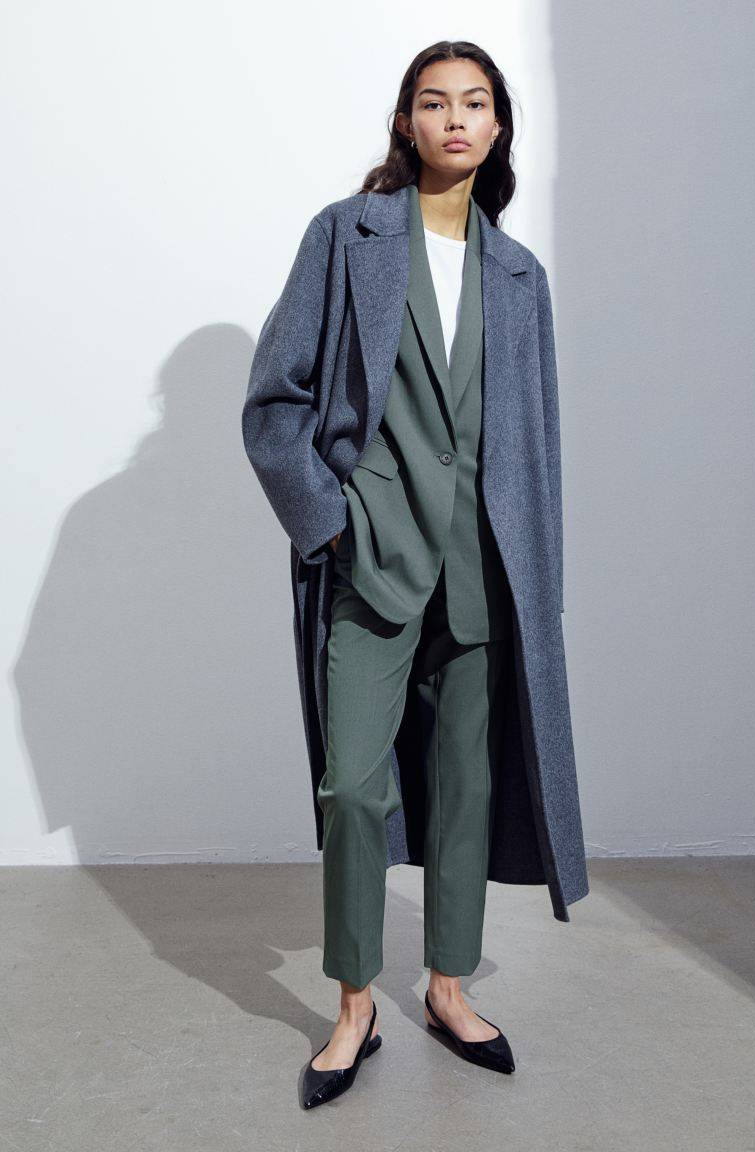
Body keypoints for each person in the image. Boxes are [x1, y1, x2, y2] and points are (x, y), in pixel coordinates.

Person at [242, 40, 589, 1110]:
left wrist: (539, 580)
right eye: (434, 103)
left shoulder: (520, 280)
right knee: (353, 785)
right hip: (373, 560)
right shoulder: (345, 237)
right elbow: (275, 400)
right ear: (406, 122)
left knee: (465, 790)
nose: (454, 119)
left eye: (474, 103)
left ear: (498, 126)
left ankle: (446, 987)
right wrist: (329, 526)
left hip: (484, 574)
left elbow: (536, 448)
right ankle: (356, 1006)